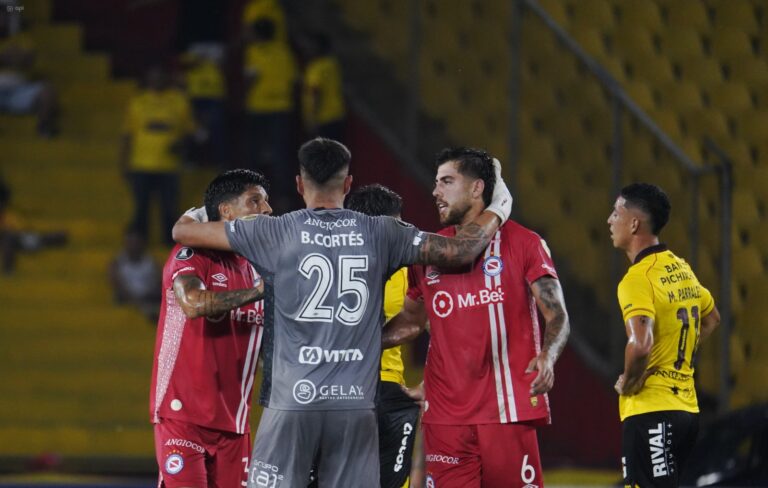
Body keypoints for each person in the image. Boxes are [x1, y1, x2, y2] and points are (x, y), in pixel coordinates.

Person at [171, 137, 513, 487]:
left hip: (291, 404)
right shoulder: (381, 230)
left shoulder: (273, 230)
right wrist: (499, 205)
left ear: (300, 184)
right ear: (349, 184)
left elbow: (182, 231)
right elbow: (460, 251)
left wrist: (206, 209)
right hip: (354, 409)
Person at [383, 147, 570, 488]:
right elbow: (409, 322)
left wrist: (549, 355)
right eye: (436, 183)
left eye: (447, 181)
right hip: (445, 420)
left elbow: (556, 314)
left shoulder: (525, 243)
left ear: (477, 188)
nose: (436, 191)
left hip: (506, 411)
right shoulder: (429, 253)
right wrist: (353, 345)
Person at [149, 169, 273, 488]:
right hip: (182, 416)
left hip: (235, 424)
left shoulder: (260, 266)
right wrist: (260, 292)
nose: (267, 210)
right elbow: (192, 303)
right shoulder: (191, 255)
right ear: (226, 212)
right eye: (255, 201)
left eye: (267, 202)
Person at [607, 183, 720, 488]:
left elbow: (640, 346)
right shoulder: (681, 268)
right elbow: (711, 318)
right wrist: (674, 357)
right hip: (686, 411)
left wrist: (630, 381)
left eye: (616, 212)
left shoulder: (638, 279)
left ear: (633, 223)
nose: (609, 220)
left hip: (651, 412)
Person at [348, 184, 420, 488]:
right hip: (384, 391)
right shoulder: (409, 267)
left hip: (336, 388)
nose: (402, 232)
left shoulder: (327, 265)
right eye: (397, 224)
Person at [120, 66, 197, 246]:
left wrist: (181, 145)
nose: (157, 81)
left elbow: (190, 132)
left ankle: (170, 246)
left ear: (166, 79)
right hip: (141, 165)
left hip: (169, 166)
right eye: (153, 77)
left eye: (160, 77)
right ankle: (140, 244)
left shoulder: (179, 101)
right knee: (141, 209)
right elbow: (127, 135)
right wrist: (123, 163)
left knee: (169, 209)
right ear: (147, 80)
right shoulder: (137, 102)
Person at [244, 17, 297, 207]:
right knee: (280, 153)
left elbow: (250, 79)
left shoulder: (253, 52)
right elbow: (293, 80)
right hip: (282, 108)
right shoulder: (285, 51)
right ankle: (283, 197)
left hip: (258, 108)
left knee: (255, 153)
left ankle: (254, 197)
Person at [0, 7, 58, 137]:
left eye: (4, 16)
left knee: (48, 91)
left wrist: (19, 59)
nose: (1, 20)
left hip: (19, 89)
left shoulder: (24, 40)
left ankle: (44, 130)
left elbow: (33, 63)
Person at [109, 226, 161, 322]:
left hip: (149, 298)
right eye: (130, 242)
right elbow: (115, 283)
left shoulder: (152, 262)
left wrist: (146, 296)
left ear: (142, 242)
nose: (133, 245)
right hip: (126, 299)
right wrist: (133, 299)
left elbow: (159, 282)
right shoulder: (116, 263)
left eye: (136, 242)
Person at [299, 32, 345, 141]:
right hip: (337, 114)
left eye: (310, 46)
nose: (306, 49)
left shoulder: (316, 68)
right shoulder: (332, 64)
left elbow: (316, 93)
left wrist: (312, 121)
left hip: (322, 119)